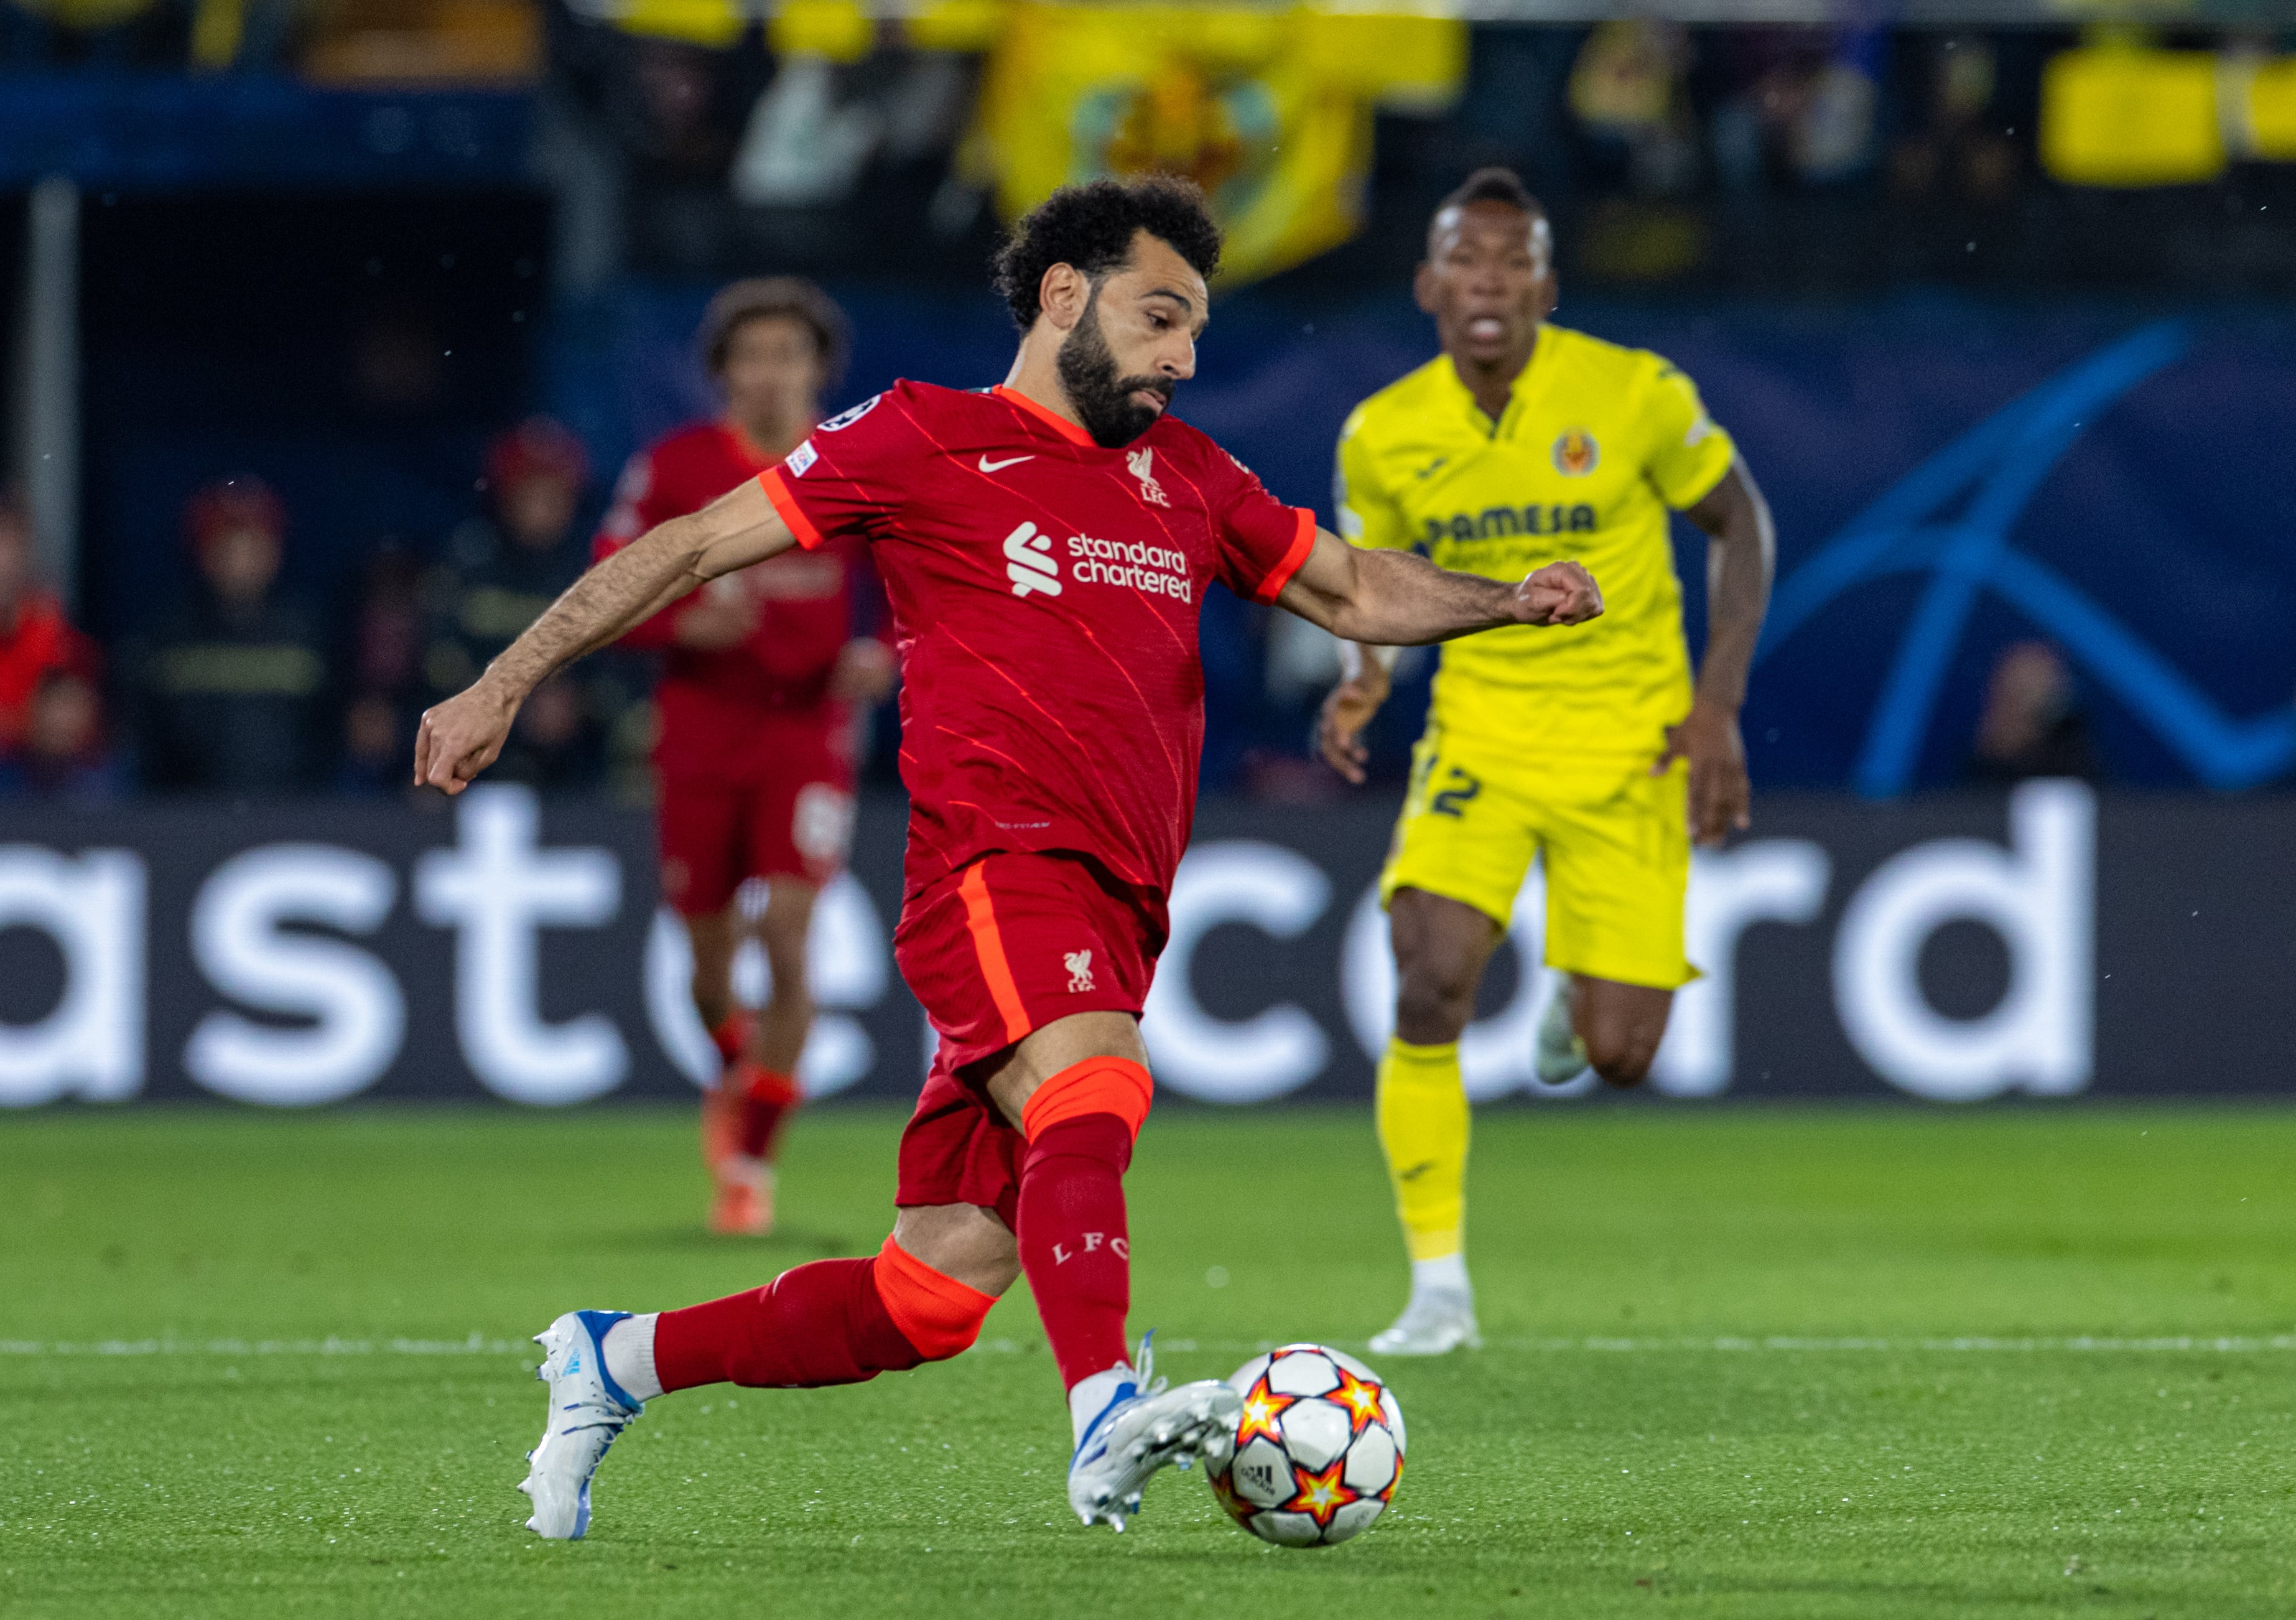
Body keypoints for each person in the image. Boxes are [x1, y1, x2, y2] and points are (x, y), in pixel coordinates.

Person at [414, 176, 1603, 1541]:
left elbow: (1350, 588)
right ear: (1062, 296)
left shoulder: (1191, 479)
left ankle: (614, 1361)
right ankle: (1104, 1402)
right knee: (1096, 1078)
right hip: (996, 863)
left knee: (929, 1294)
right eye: (1161, 318)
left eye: (1197, 330)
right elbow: (687, 548)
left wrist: (1504, 602)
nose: (1184, 357)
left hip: (1120, 896)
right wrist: (503, 681)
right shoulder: (922, 436)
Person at [1318, 167, 1775, 1357]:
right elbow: (1375, 586)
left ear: (1545, 286)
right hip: (1481, 734)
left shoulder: (1631, 392)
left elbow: (1743, 525)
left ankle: (1581, 1009)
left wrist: (1716, 703)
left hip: (1630, 744)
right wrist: (1365, 681)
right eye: (1466, 260)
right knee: (1426, 980)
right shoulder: (1383, 431)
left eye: (1512, 263)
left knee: (1623, 1057)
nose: (1488, 282)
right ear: (1428, 283)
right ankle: (1436, 1288)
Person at [594, 278, 896, 1236]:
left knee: (789, 942)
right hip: (698, 733)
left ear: (819, 369)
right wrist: (689, 615)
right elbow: (609, 590)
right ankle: (736, 1070)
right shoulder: (677, 470)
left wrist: (886, 654)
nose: (769, 375)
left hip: (806, 735)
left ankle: (751, 1170)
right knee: (707, 967)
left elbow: (917, 587)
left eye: (788, 356)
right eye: (751, 357)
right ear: (722, 372)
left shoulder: (855, 467)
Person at [424, 419, 613, 792]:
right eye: (531, 491)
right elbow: (436, 662)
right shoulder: (467, 564)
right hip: (471, 766)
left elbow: (617, 672)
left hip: (575, 770)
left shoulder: (596, 568)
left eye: (556, 492)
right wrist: (512, 706)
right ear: (505, 495)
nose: (544, 506)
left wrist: (580, 705)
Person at [132, 477, 332, 793]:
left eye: (255, 546)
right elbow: (144, 737)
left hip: (293, 816)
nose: (241, 561)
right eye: (227, 546)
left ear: (276, 551)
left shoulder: (309, 631)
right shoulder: (167, 633)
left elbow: (328, 735)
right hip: (187, 816)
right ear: (203, 552)